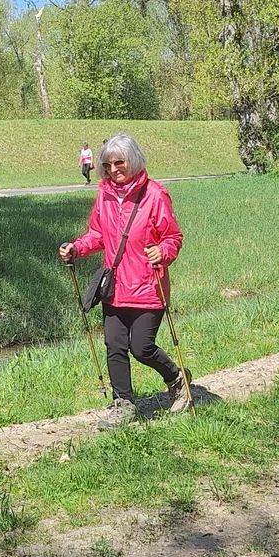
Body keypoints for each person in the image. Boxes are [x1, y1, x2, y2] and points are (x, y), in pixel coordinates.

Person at [60, 133, 191, 426]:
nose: (114, 169)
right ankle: (124, 404)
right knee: (115, 346)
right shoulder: (104, 195)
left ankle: (177, 379)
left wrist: (163, 251)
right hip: (114, 288)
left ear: (133, 160)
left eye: (119, 162)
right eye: (108, 164)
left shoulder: (155, 195)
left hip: (147, 286)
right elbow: (97, 235)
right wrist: (76, 248)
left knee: (142, 347)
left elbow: (173, 236)